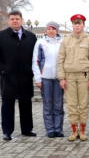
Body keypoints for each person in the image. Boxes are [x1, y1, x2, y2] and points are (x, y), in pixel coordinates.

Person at [57, 14, 89, 141]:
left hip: (84, 76)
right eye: (75, 23)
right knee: (71, 105)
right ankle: (74, 131)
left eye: (79, 23)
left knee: (83, 104)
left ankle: (83, 131)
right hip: (69, 77)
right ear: (72, 25)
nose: (77, 25)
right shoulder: (66, 40)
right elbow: (60, 60)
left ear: (83, 25)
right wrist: (61, 78)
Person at [0, 10, 37, 141]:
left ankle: (27, 129)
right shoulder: (2, 36)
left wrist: (32, 71)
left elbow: (36, 57)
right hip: (7, 77)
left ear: (21, 20)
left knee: (26, 103)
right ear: (8, 21)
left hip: (25, 76)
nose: (15, 21)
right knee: (7, 105)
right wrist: (3, 70)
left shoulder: (31, 37)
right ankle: (7, 131)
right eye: (12, 19)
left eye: (17, 18)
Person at [32, 21, 64, 138]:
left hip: (58, 78)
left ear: (57, 30)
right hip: (45, 78)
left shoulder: (62, 42)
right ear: (46, 30)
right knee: (47, 105)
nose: (51, 31)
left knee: (58, 105)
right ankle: (50, 129)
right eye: (49, 29)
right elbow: (36, 61)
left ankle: (58, 129)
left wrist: (63, 77)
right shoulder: (40, 42)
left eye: (53, 29)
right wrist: (38, 78)